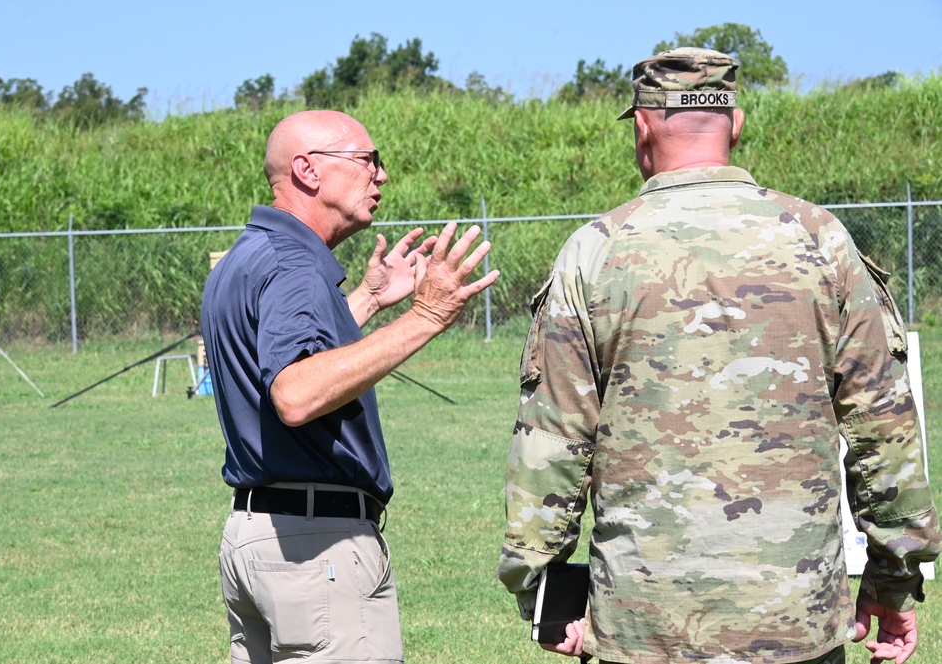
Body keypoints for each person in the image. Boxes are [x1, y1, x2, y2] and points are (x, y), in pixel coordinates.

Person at [497, 48, 941, 664]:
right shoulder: (820, 237)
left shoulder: (594, 250)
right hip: (796, 619)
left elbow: (552, 439)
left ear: (644, 125)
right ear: (734, 123)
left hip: (643, 624)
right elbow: (883, 424)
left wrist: (540, 586)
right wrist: (894, 581)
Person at [202, 109, 499, 663]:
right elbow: (294, 393)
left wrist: (364, 301)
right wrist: (426, 316)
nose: (381, 175)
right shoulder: (294, 266)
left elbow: (286, 351)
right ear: (308, 171)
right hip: (317, 547)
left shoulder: (251, 255)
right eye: (368, 160)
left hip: (258, 535)